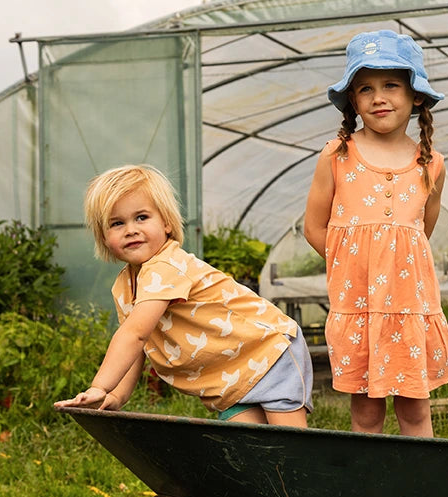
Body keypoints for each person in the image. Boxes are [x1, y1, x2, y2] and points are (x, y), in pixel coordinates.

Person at [54, 164, 312, 427]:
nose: (130, 229)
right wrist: (117, 395)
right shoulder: (125, 285)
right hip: (233, 375)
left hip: (269, 351)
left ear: (166, 222)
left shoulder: (167, 266)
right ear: (104, 236)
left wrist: (99, 385)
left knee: (289, 444)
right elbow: (138, 347)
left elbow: (134, 335)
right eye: (117, 223)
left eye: (141, 217)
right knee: (252, 449)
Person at [303, 29, 448, 437]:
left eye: (391, 85)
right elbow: (314, 227)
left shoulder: (431, 164)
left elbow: (421, 229)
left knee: (415, 411)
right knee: (367, 415)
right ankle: (370, 491)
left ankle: (419, 489)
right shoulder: (337, 155)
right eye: (365, 88)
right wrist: (355, 266)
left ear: (416, 96)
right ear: (353, 100)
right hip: (359, 307)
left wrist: (394, 267)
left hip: (409, 310)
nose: (378, 97)